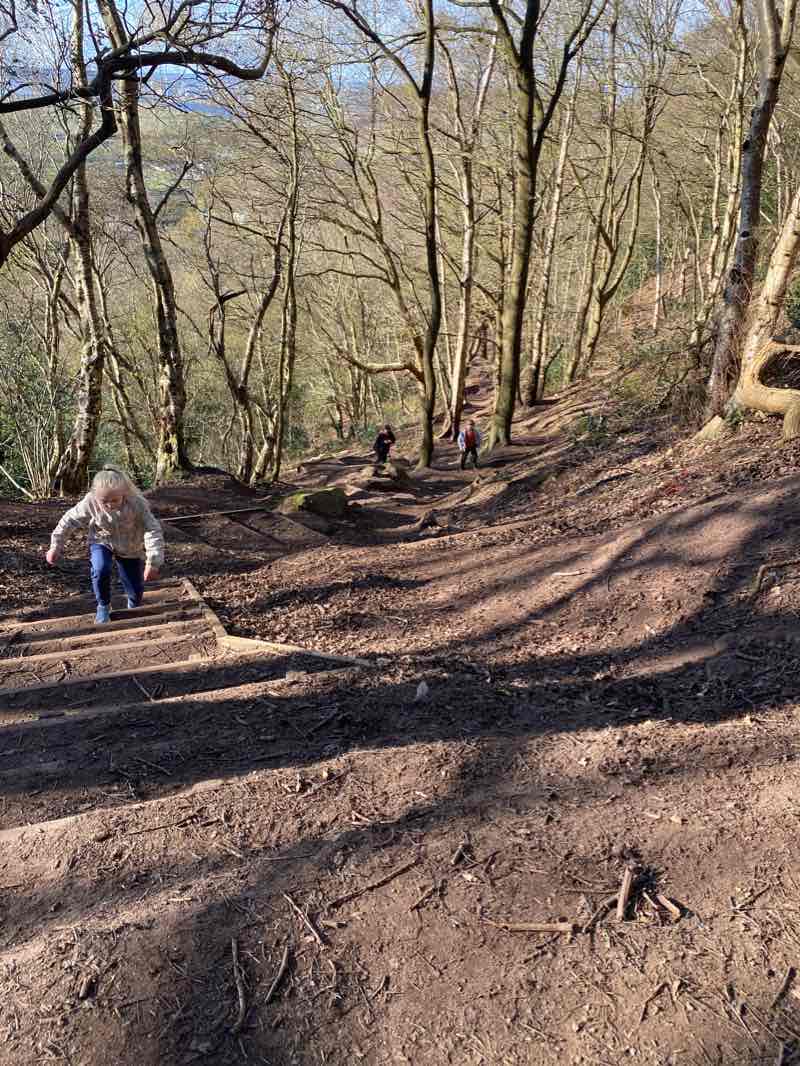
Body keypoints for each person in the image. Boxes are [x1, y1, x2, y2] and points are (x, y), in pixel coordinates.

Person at [45, 465, 165, 625]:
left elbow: (153, 530)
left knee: (135, 587)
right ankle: (103, 605)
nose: (109, 505)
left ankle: (134, 605)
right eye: (104, 501)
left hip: (130, 546)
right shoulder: (90, 501)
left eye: (115, 500)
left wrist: (154, 562)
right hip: (101, 540)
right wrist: (55, 546)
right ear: (95, 495)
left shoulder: (136, 504)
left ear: (124, 493)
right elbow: (69, 520)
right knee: (100, 568)